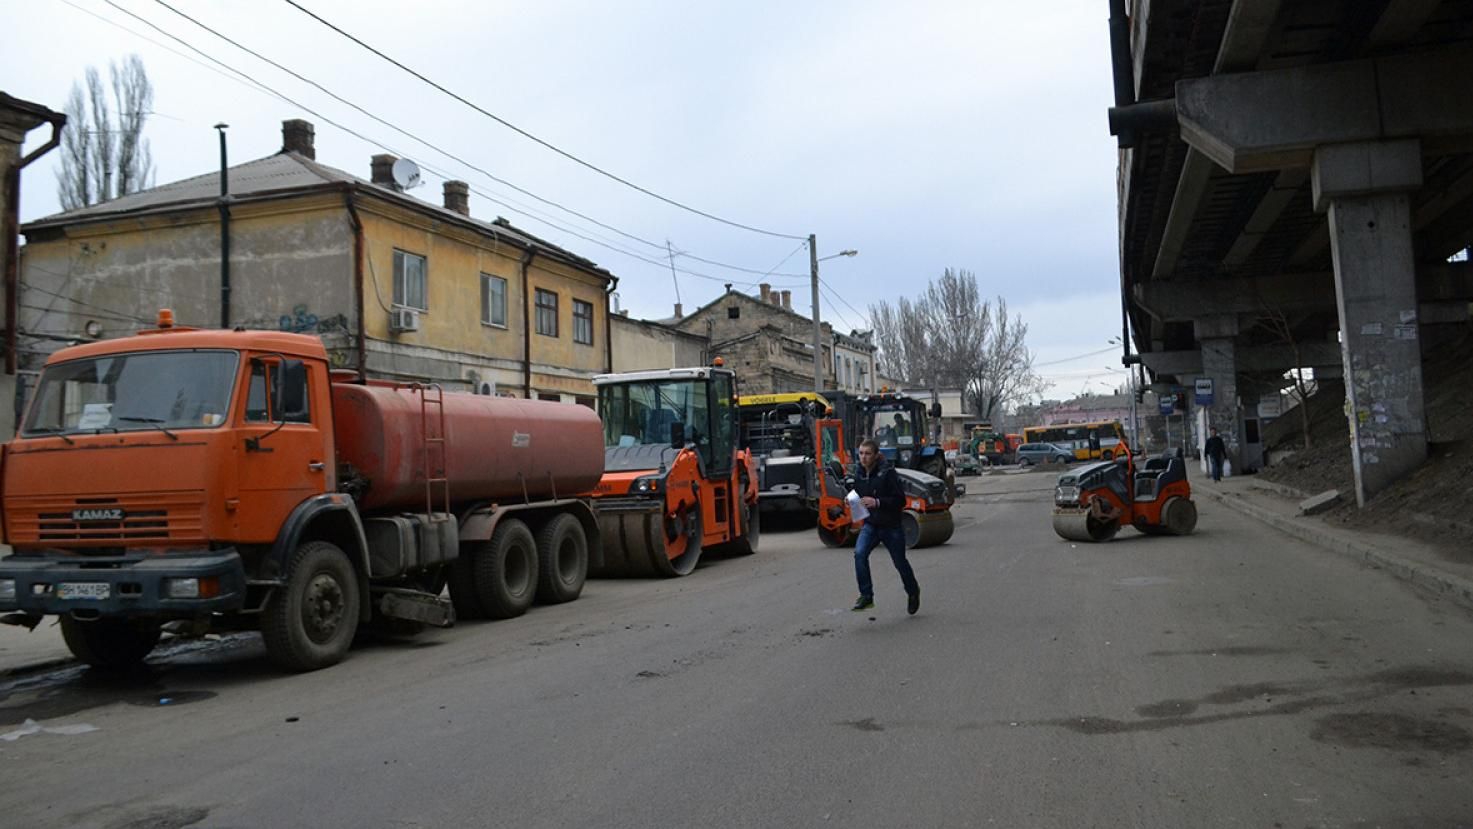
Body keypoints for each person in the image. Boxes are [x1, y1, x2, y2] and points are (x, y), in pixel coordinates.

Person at [848, 438, 921, 614]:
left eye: (867, 454)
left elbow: (900, 500)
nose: (863, 458)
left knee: (899, 562)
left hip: (891, 526)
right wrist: (851, 499)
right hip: (871, 525)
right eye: (861, 453)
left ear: (876, 455)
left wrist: (878, 502)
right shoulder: (858, 473)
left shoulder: (887, 473)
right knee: (859, 554)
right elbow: (857, 493)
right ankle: (866, 596)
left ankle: (913, 591)